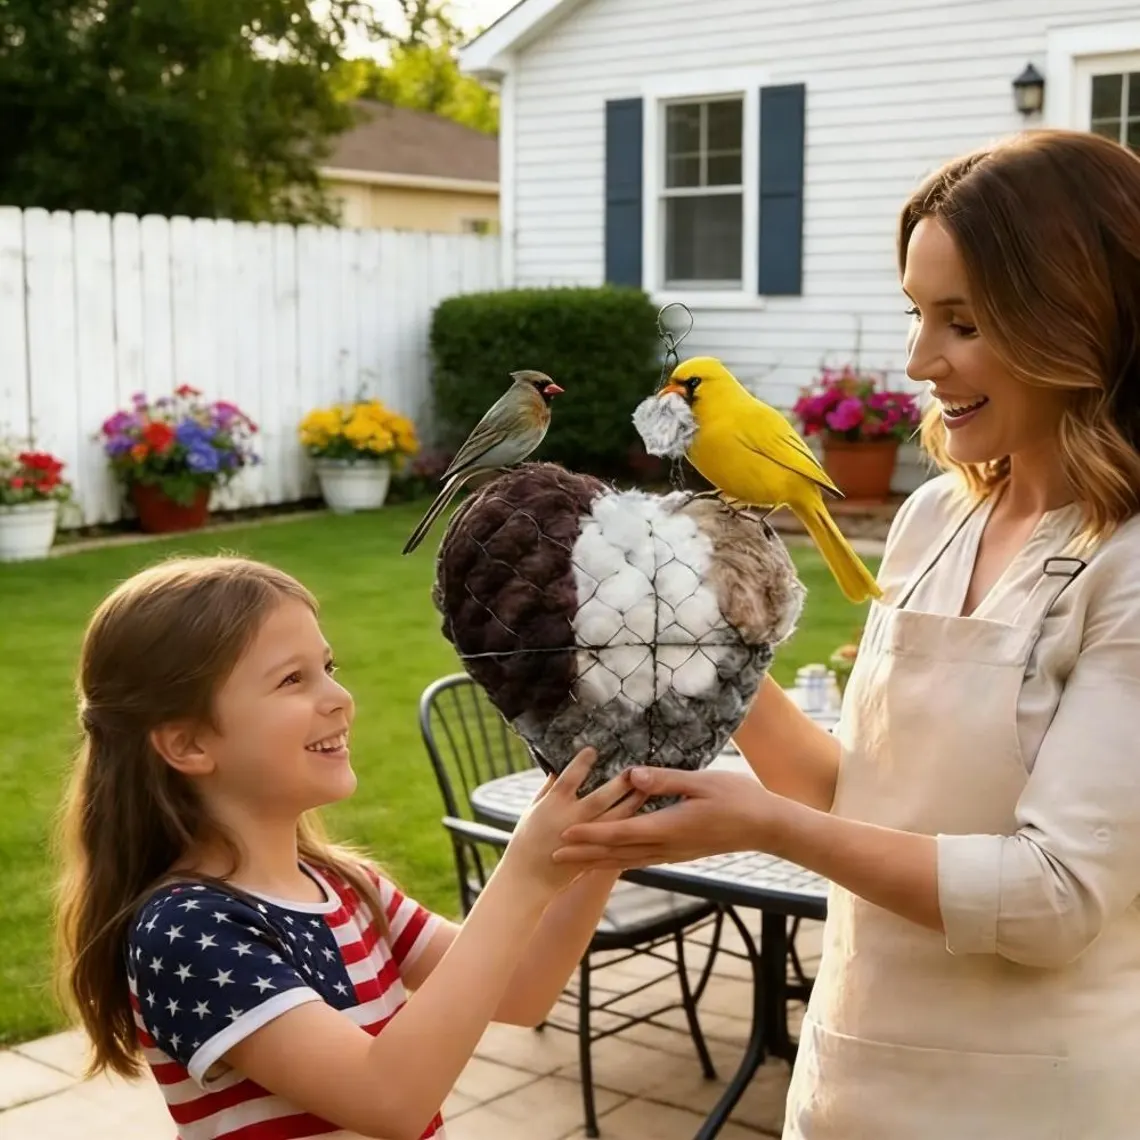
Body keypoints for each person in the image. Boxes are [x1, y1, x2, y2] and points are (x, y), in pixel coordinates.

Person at [552, 127, 1140, 1139]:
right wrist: (698, 647)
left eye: (962, 322)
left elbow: (1056, 897)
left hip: (1035, 1098)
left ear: (1078, 317)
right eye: (918, 315)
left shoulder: (1125, 564)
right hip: (851, 1073)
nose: (919, 361)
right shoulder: (931, 520)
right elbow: (860, 798)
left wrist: (765, 827)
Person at [54, 554, 645, 1140]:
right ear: (187, 744)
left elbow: (523, 989)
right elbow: (389, 1101)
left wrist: (601, 838)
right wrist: (523, 876)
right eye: (292, 679)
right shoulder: (188, 930)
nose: (339, 698)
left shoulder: (344, 887)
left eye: (328, 667)